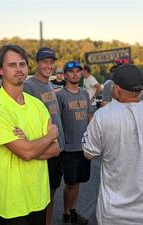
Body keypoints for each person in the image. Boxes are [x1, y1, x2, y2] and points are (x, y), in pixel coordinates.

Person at [82, 64, 143, 225]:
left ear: (117, 89)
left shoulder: (102, 116)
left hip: (112, 214)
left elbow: (89, 152)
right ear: (142, 89)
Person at [0, 44, 60, 225]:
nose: (19, 69)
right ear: (0, 70)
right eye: (12, 65)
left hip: (39, 197)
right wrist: (49, 136)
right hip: (13, 204)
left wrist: (30, 145)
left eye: (22, 64)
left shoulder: (37, 105)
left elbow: (56, 150)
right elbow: (26, 153)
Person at [23, 47, 65, 225]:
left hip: (58, 149)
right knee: (39, 195)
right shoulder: (29, 85)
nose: (49, 66)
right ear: (37, 63)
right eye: (44, 62)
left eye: (51, 62)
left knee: (52, 192)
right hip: (44, 149)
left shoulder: (49, 83)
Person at [56, 61, 92, 225]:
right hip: (69, 148)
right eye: (71, 72)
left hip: (83, 147)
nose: (75, 74)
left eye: (78, 71)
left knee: (78, 181)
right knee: (70, 183)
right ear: (65, 75)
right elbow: (57, 123)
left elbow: (89, 118)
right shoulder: (60, 96)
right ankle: (66, 213)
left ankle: (74, 210)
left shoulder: (84, 94)